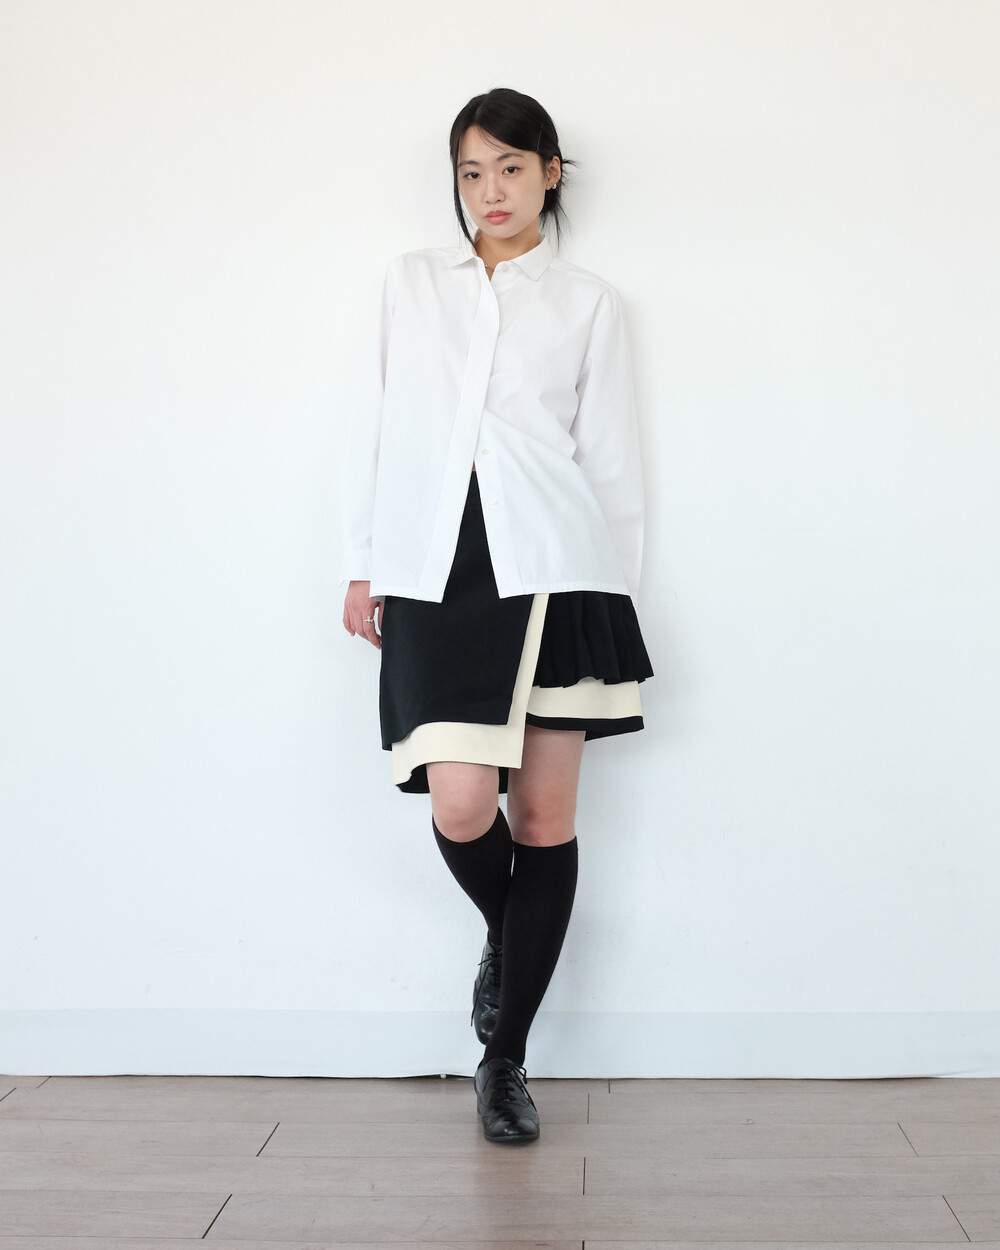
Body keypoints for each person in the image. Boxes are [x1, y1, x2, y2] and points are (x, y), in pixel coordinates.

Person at [340, 87, 653, 1145]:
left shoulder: (588, 303)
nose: (491, 190)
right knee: (463, 802)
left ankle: (503, 1059)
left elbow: (610, 461)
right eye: (472, 172)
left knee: (545, 820)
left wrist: (617, 594)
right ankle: (509, 932)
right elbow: (373, 425)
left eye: (511, 168)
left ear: (550, 173)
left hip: (558, 568)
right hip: (434, 569)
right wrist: (360, 564)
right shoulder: (409, 284)